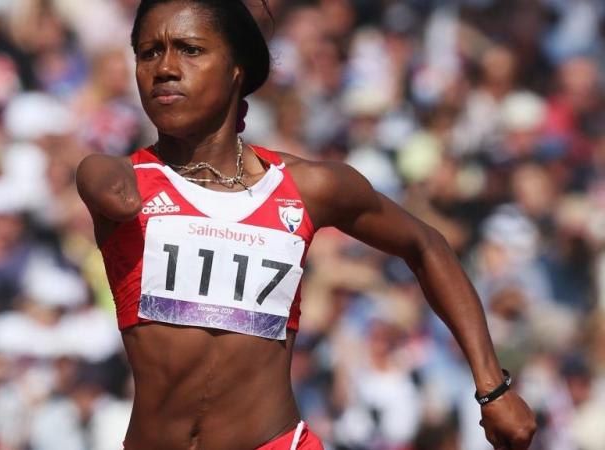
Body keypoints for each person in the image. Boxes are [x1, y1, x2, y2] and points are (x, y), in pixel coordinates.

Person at [75, 1, 537, 449]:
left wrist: (492, 387)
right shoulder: (117, 177)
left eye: (190, 49)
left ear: (237, 68)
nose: (165, 68)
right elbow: (108, 186)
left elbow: (426, 245)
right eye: (149, 52)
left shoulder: (309, 187)